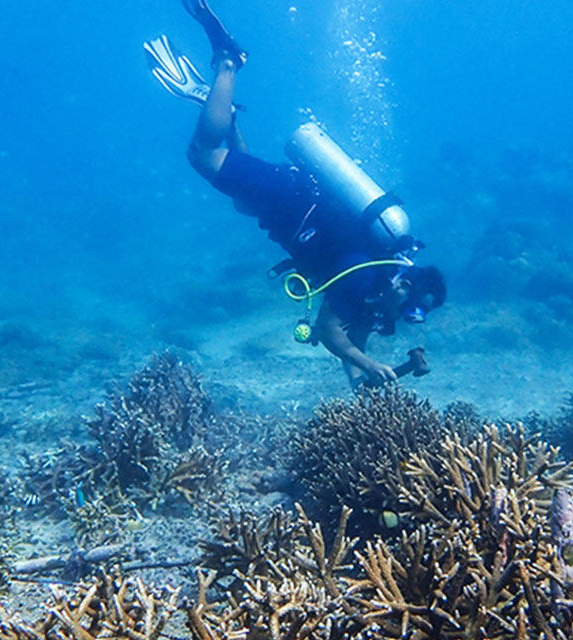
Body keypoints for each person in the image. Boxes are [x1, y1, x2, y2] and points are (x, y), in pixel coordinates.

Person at [150, 0, 446, 389]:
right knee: (203, 156)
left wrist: (361, 384)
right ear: (404, 285)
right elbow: (328, 331)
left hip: (282, 210)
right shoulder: (367, 277)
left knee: (241, 197)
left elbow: (351, 340)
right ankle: (228, 63)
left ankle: (227, 111)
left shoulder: (376, 295)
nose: (402, 319)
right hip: (287, 196)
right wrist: (368, 364)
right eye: (411, 313)